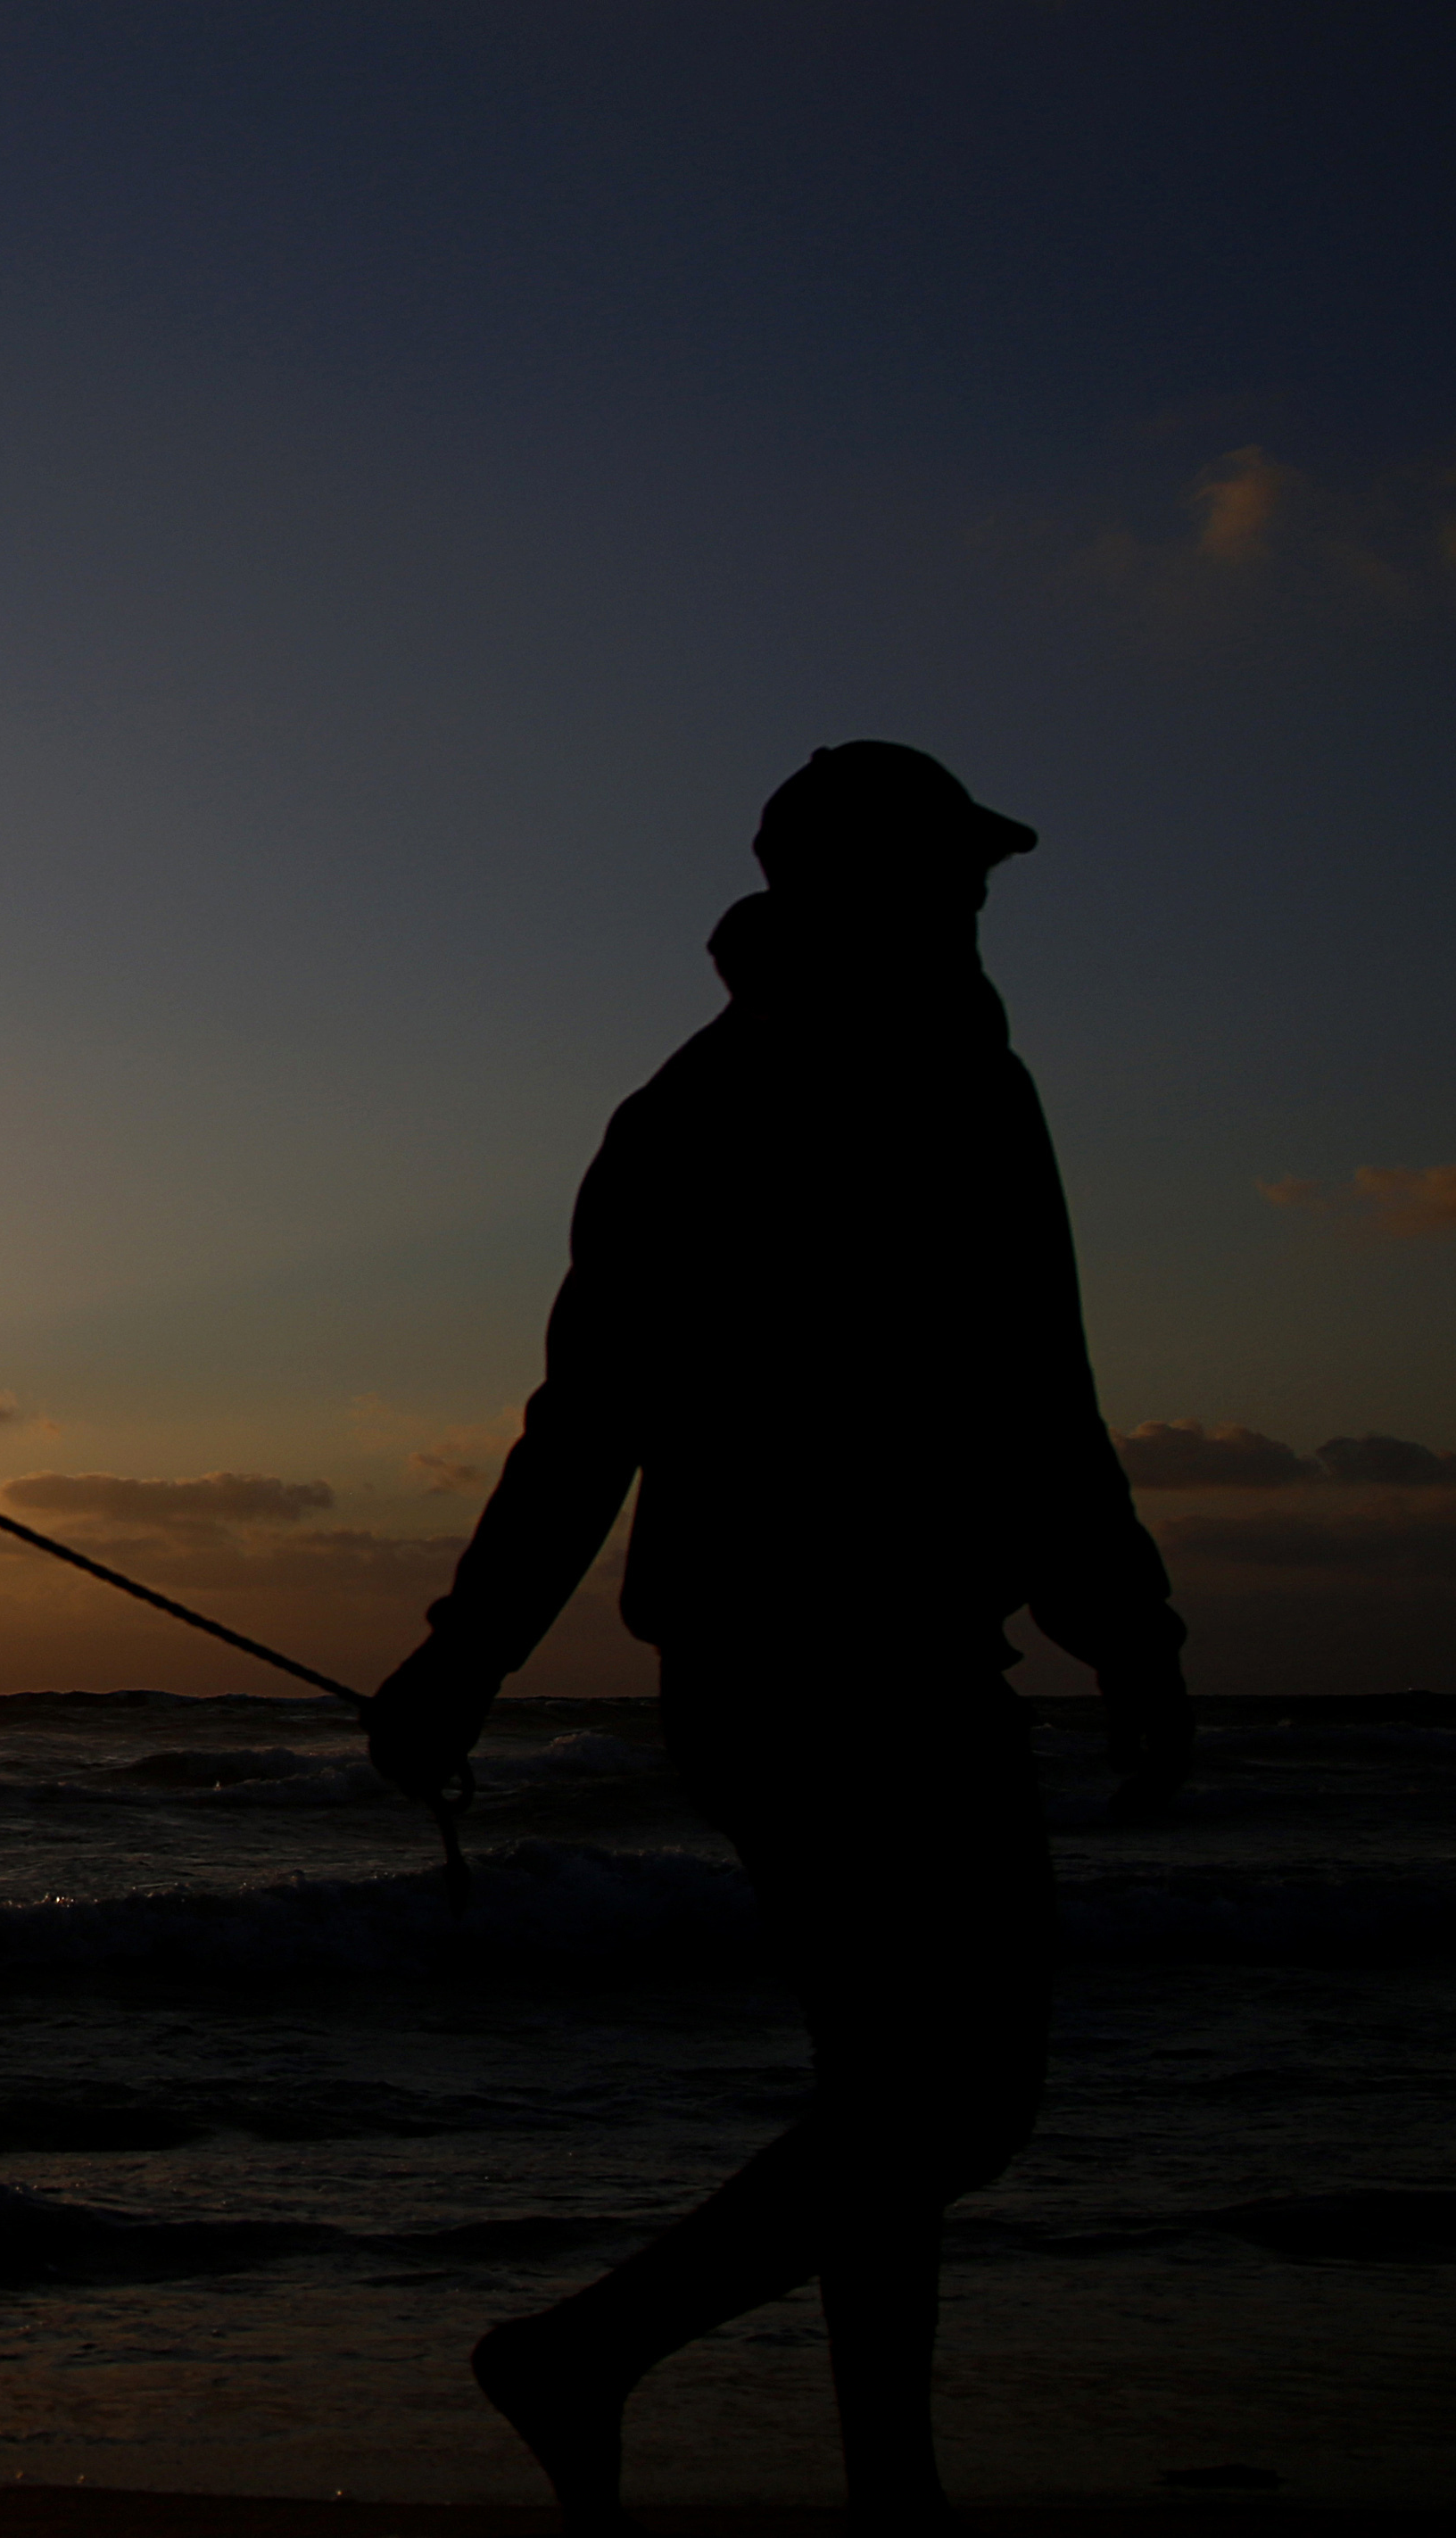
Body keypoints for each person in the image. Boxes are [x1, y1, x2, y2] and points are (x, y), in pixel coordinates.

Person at [364, 742, 1191, 2537]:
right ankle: (586, 2353)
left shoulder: (753, 1099)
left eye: (977, 874)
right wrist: (466, 1652)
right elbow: (1023, 1390)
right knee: (953, 2110)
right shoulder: (831, 1100)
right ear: (856, 888)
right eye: (948, 875)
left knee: (890, 2104)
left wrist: (467, 1654)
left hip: (791, 1670)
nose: (978, 901)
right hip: (842, 1674)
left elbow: (601, 1419)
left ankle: (889, 2487)